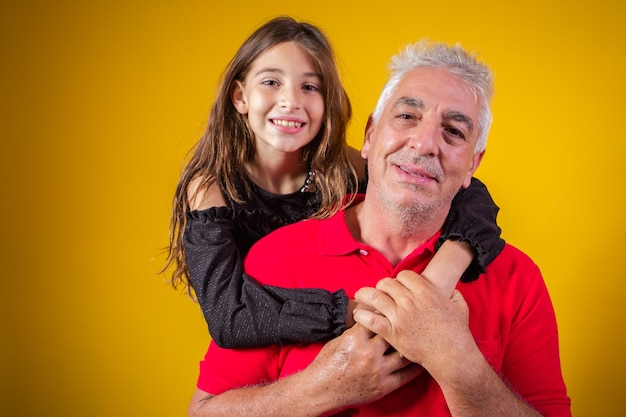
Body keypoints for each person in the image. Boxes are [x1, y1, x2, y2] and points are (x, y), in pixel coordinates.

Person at [187, 40, 571, 417]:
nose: (423, 143)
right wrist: (317, 389)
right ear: (370, 134)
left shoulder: (517, 278)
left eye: (454, 131)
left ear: (473, 164)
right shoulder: (267, 250)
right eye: (406, 116)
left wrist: (460, 364)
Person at [164, 17, 504, 349]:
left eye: (310, 87)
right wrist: (363, 313)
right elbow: (228, 317)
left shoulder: (346, 165)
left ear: (329, 104)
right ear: (240, 97)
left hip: (361, 337)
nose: (290, 101)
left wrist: (445, 270)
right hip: (283, 343)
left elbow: (463, 190)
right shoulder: (211, 188)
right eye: (271, 82)